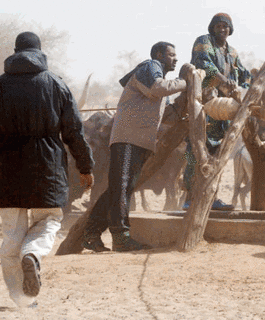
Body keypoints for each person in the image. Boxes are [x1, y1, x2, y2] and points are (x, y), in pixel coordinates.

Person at [0, 31, 94, 307]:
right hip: (47, 166)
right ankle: (32, 254)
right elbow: (74, 132)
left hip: (8, 166)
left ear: (15, 51)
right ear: (40, 51)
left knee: (11, 236)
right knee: (50, 220)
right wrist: (85, 165)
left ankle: (22, 300)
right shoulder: (55, 83)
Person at [82, 41, 187, 252]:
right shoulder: (150, 67)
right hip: (128, 139)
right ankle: (120, 237)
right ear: (159, 54)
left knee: (120, 189)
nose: (175, 58)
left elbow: (164, 114)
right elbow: (158, 88)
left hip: (138, 140)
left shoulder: (157, 78)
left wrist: (180, 108)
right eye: (171, 54)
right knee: (121, 187)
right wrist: (186, 82)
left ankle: (92, 233)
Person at [184, 12, 252, 210]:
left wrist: (245, 88)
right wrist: (225, 82)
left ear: (230, 30)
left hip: (224, 112)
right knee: (196, 150)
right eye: (218, 26)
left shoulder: (232, 52)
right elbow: (203, 64)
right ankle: (190, 197)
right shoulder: (203, 42)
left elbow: (244, 74)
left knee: (219, 154)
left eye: (226, 26)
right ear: (212, 28)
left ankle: (212, 198)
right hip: (203, 105)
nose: (222, 29)